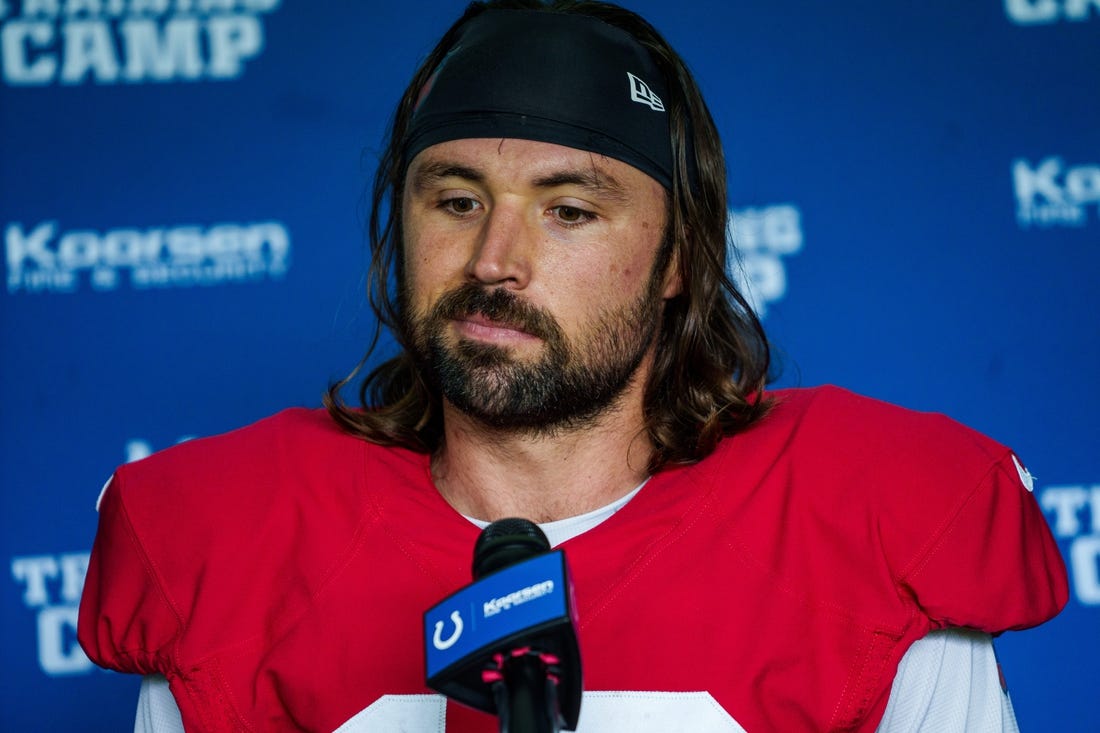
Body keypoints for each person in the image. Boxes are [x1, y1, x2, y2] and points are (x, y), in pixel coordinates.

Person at [77, 1, 1068, 731]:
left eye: (569, 210)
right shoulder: (230, 550)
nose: (493, 261)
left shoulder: (874, 526)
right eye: (456, 200)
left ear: (679, 257)